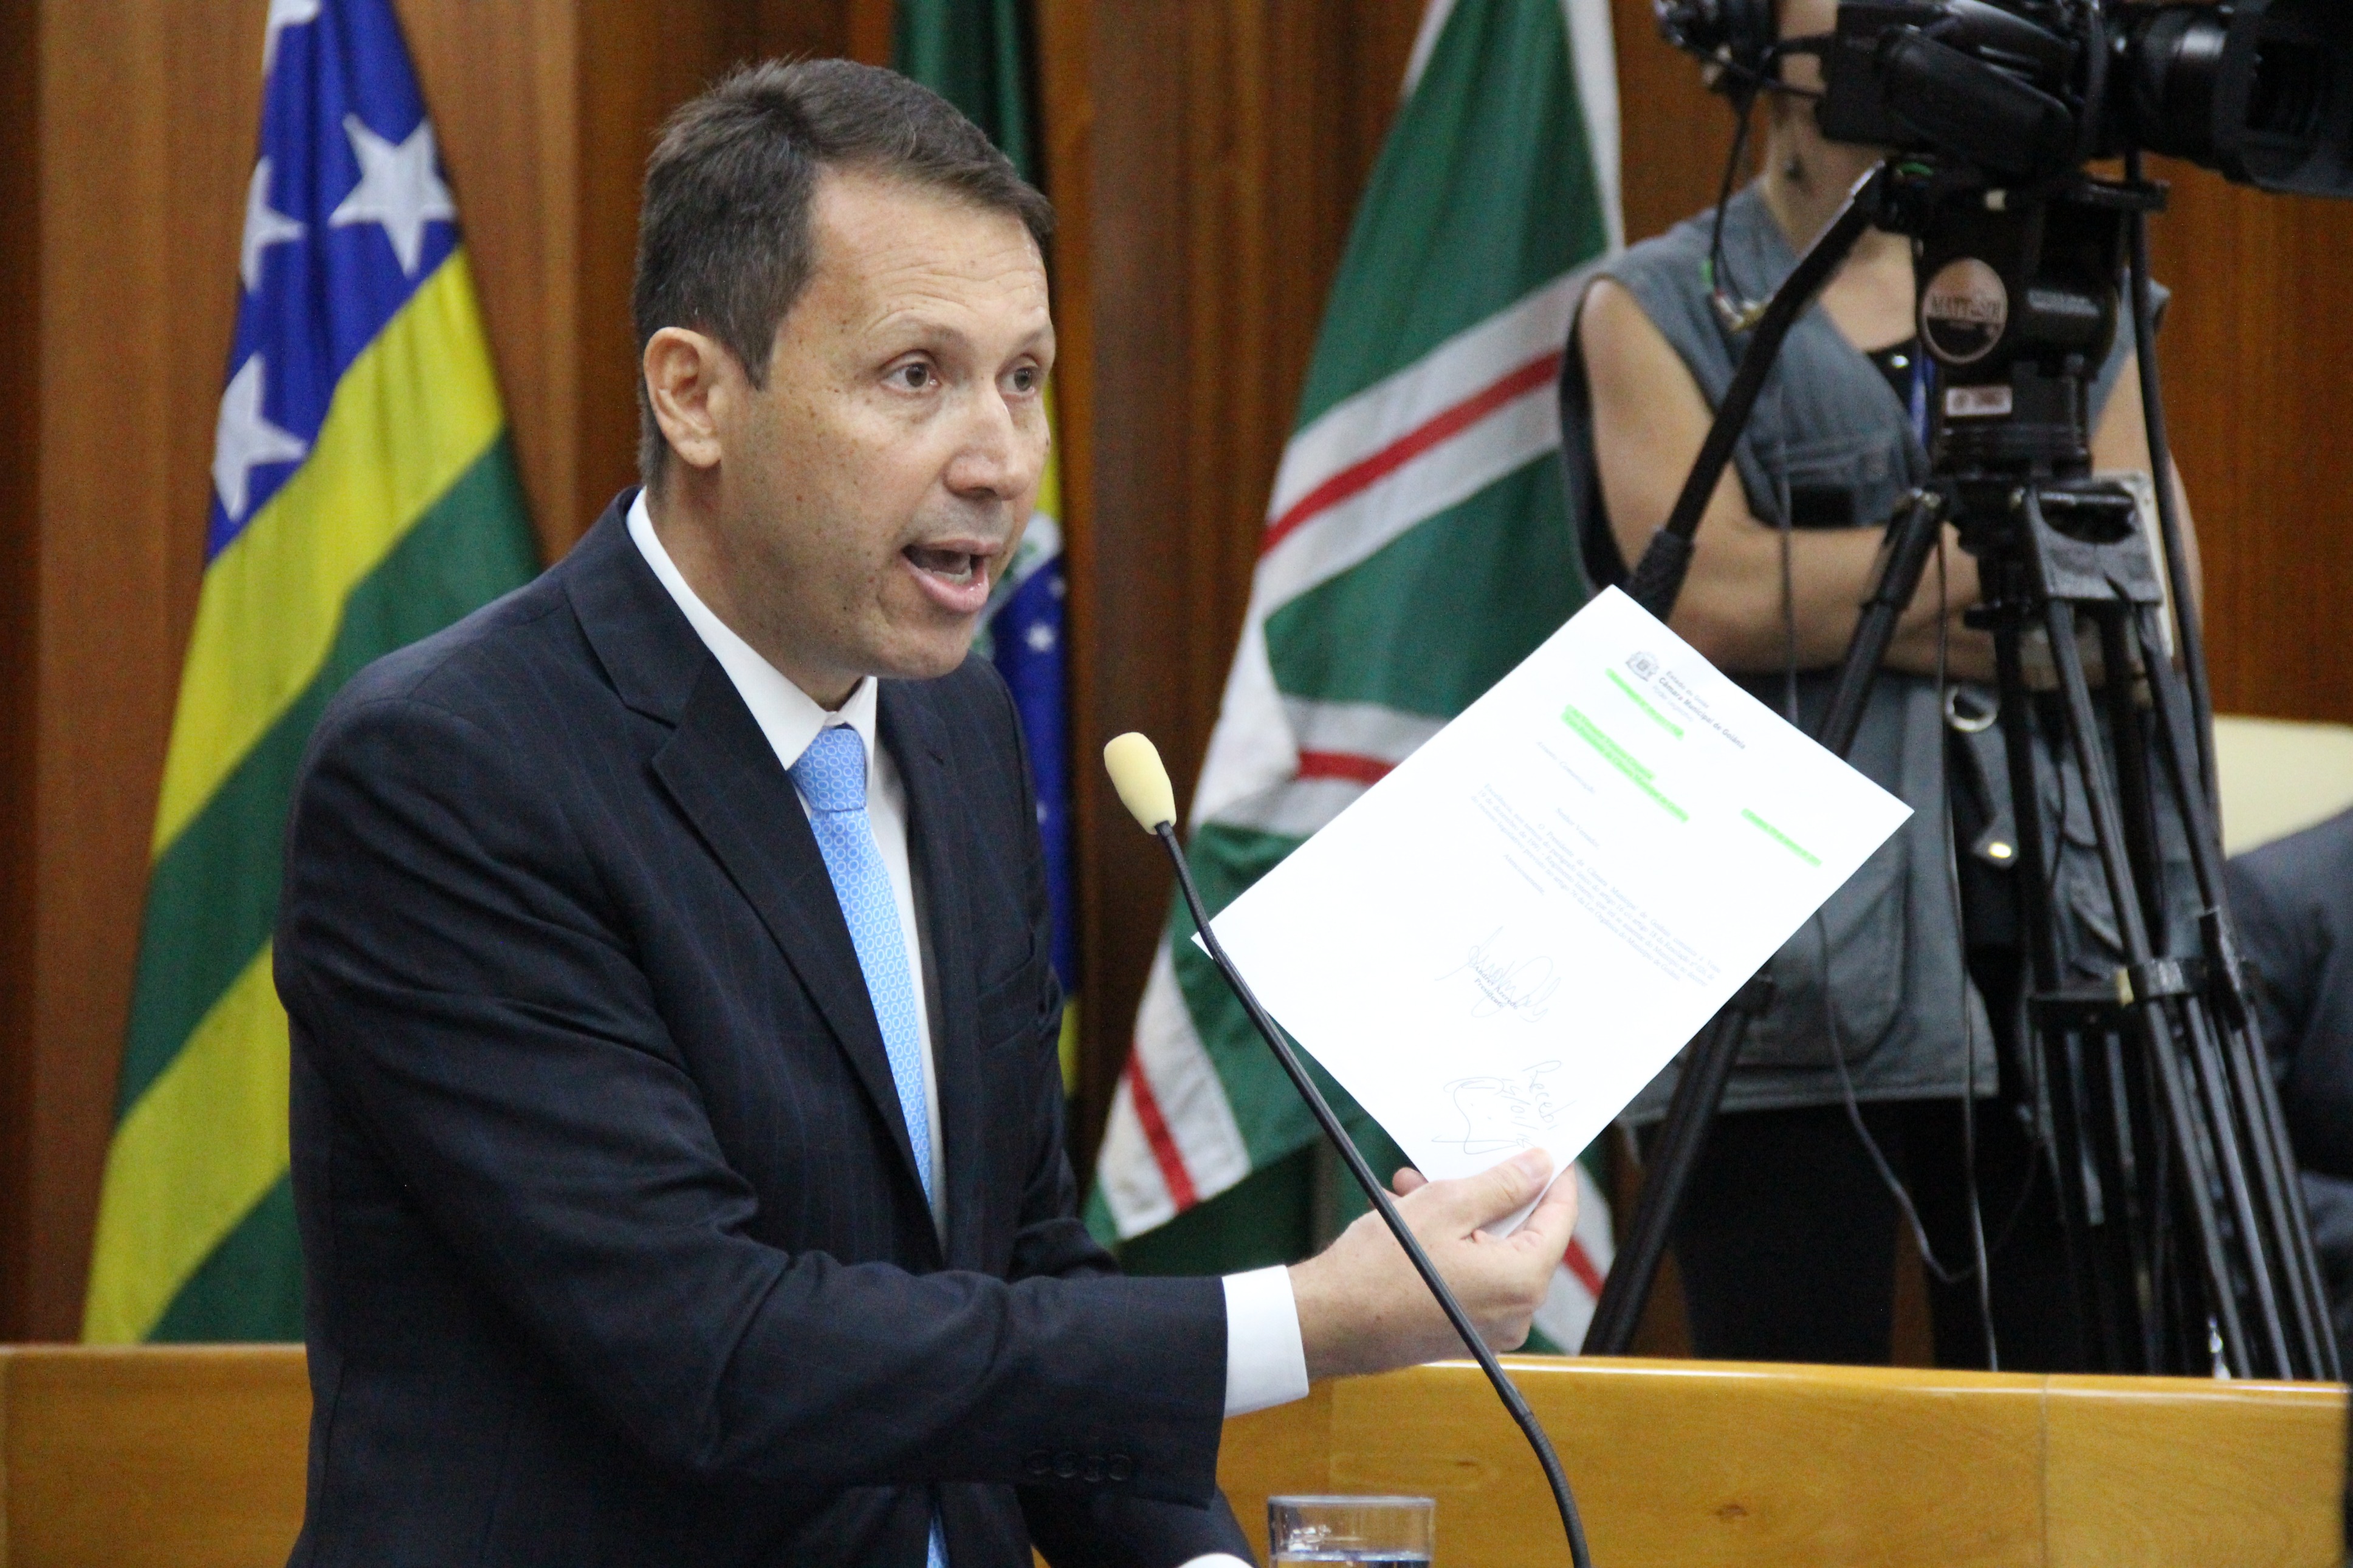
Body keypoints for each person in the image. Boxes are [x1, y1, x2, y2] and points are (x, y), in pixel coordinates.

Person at [276, 60, 1579, 1568]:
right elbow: (717, 1354)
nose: (1000, 460)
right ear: (694, 395)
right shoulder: (451, 770)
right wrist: (1308, 1319)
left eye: (1022, 378)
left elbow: (1015, 1266)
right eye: (915, 376)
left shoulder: (953, 729)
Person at [1561, 0, 2199, 1369]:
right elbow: (1710, 602)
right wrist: (2008, 574)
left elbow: (2146, 600)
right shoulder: (1654, 305)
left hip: (2066, 940)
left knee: (2077, 1417)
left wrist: (1834, 607)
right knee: (1791, 1412)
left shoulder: (2066, 278)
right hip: (1782, 969)